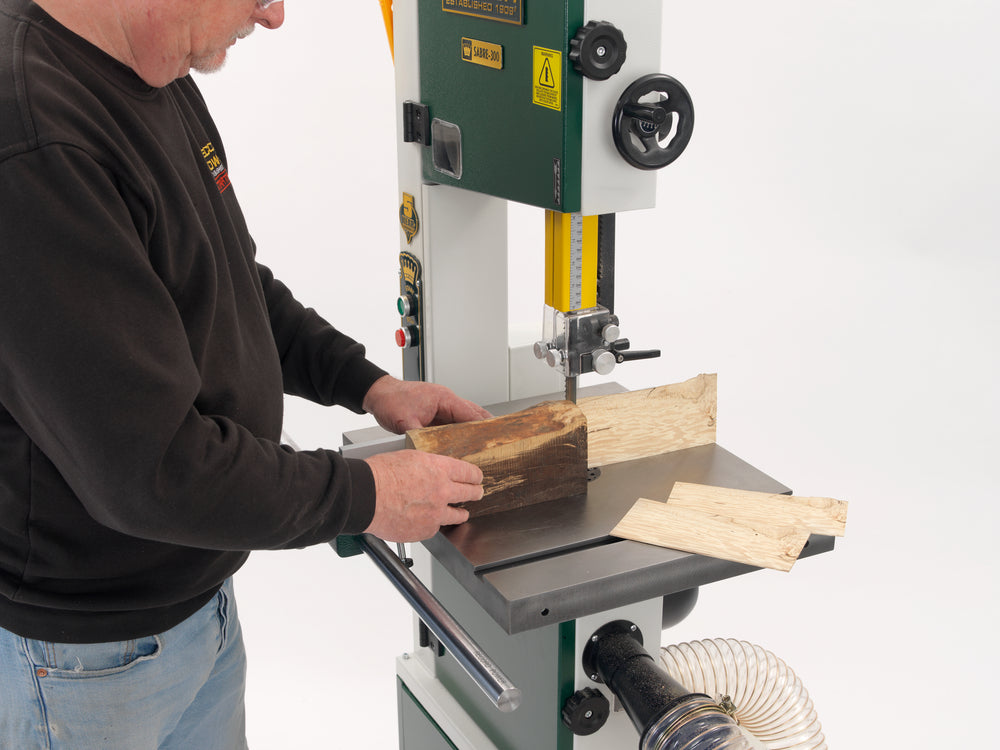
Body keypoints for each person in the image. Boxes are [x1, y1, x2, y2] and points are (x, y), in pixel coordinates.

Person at [0, 0, 490, 746]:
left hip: (200, 609)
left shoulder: (152, 66)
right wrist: (367, 495)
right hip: (86, 666)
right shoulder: (36, 140)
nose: (274, 14)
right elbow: (152, 471)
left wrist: (367, 384)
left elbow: (227, 283)